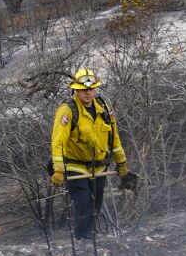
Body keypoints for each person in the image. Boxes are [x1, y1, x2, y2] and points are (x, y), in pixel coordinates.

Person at [50, 67, 129, 241]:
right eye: (83, 90)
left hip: (100, 167)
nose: (87, 93)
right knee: (84, 203)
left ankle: (91, 237)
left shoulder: (104, 109)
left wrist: (121, 162)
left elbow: (114, 138)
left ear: (96, 89)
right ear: (76, 89)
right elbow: (58, 143)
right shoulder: (67, 111)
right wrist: (58, 170)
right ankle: (83, 240)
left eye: (91, 89)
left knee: (96, 204)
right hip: (75, 166)